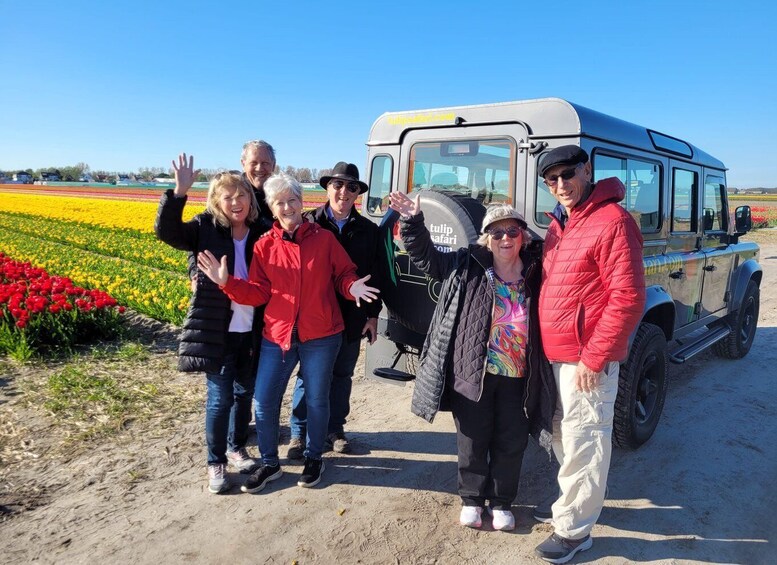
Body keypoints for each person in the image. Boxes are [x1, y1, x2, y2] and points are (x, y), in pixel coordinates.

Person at [197, 173, 379, 492]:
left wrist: (352, 287)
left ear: (301, 202)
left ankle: (313, 458)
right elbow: (258, 292)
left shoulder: (323, 239)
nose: (287, 206)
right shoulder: (266, 245)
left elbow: (343, 275)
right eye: (279, 202)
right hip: (278, 335)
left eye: (292, 200)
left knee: (317, 399)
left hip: (321, 334)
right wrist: (227, 283)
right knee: (265, 401)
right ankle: (270, 463)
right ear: (271, 206)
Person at [388, 192, 554, 532]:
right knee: (472, 438)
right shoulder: (468, 263)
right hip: (472, 369)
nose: (505, 238)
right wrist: (413, 221)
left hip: (518, 373)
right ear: (486, 237)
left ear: (523, 235)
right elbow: (426, 258)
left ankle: (503, 502)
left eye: (512, 231)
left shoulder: (538, 271)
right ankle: (472, 500)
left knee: (511, 440)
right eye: (497, 232)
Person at [533, 146, 645, 563]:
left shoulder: (612, 221)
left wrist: (594, 357)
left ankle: (575, 532)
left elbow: (628, 298)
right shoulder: (563, 225)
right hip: (556, 356)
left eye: (567, 174)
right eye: (551, 179)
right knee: (564, 436)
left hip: (584, 361)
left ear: (587, 170)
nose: (561, 184)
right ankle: (574, 506)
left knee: (586, 440)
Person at [154, 154, 264, 494]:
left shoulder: (261, 231)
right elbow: (167, 232)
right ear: (217, 201)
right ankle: (215, 460)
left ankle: (235, 447)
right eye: (227, 196)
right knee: (220, 399)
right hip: (217, 329)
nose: (235, 201)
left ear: (250, 199)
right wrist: (178, 193)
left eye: (241, 195)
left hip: (253, 329)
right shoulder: (204, 228)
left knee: (245, 393)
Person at [287, 162, 383, 458]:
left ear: (358, 195)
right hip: (314, 317)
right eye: (338, 185)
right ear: (327, 188)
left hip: (351, 317)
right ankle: (298, 434)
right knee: (309, 376)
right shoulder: (307, 224)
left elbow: (376, 275)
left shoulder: (369, 230)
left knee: (342, 375)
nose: (344, 192)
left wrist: (372, 315)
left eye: (351, 187)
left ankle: (334, 430)